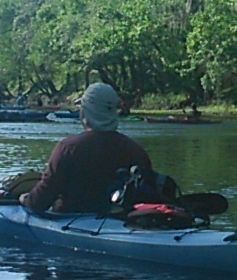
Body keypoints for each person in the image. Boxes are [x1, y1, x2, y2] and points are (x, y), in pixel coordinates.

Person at [19, 82, 152, 214]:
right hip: (122, 220)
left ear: (86, 111)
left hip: (70, 219)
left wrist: (25, 199)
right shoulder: (136, 150)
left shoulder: (67, 148)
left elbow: (39, 202)